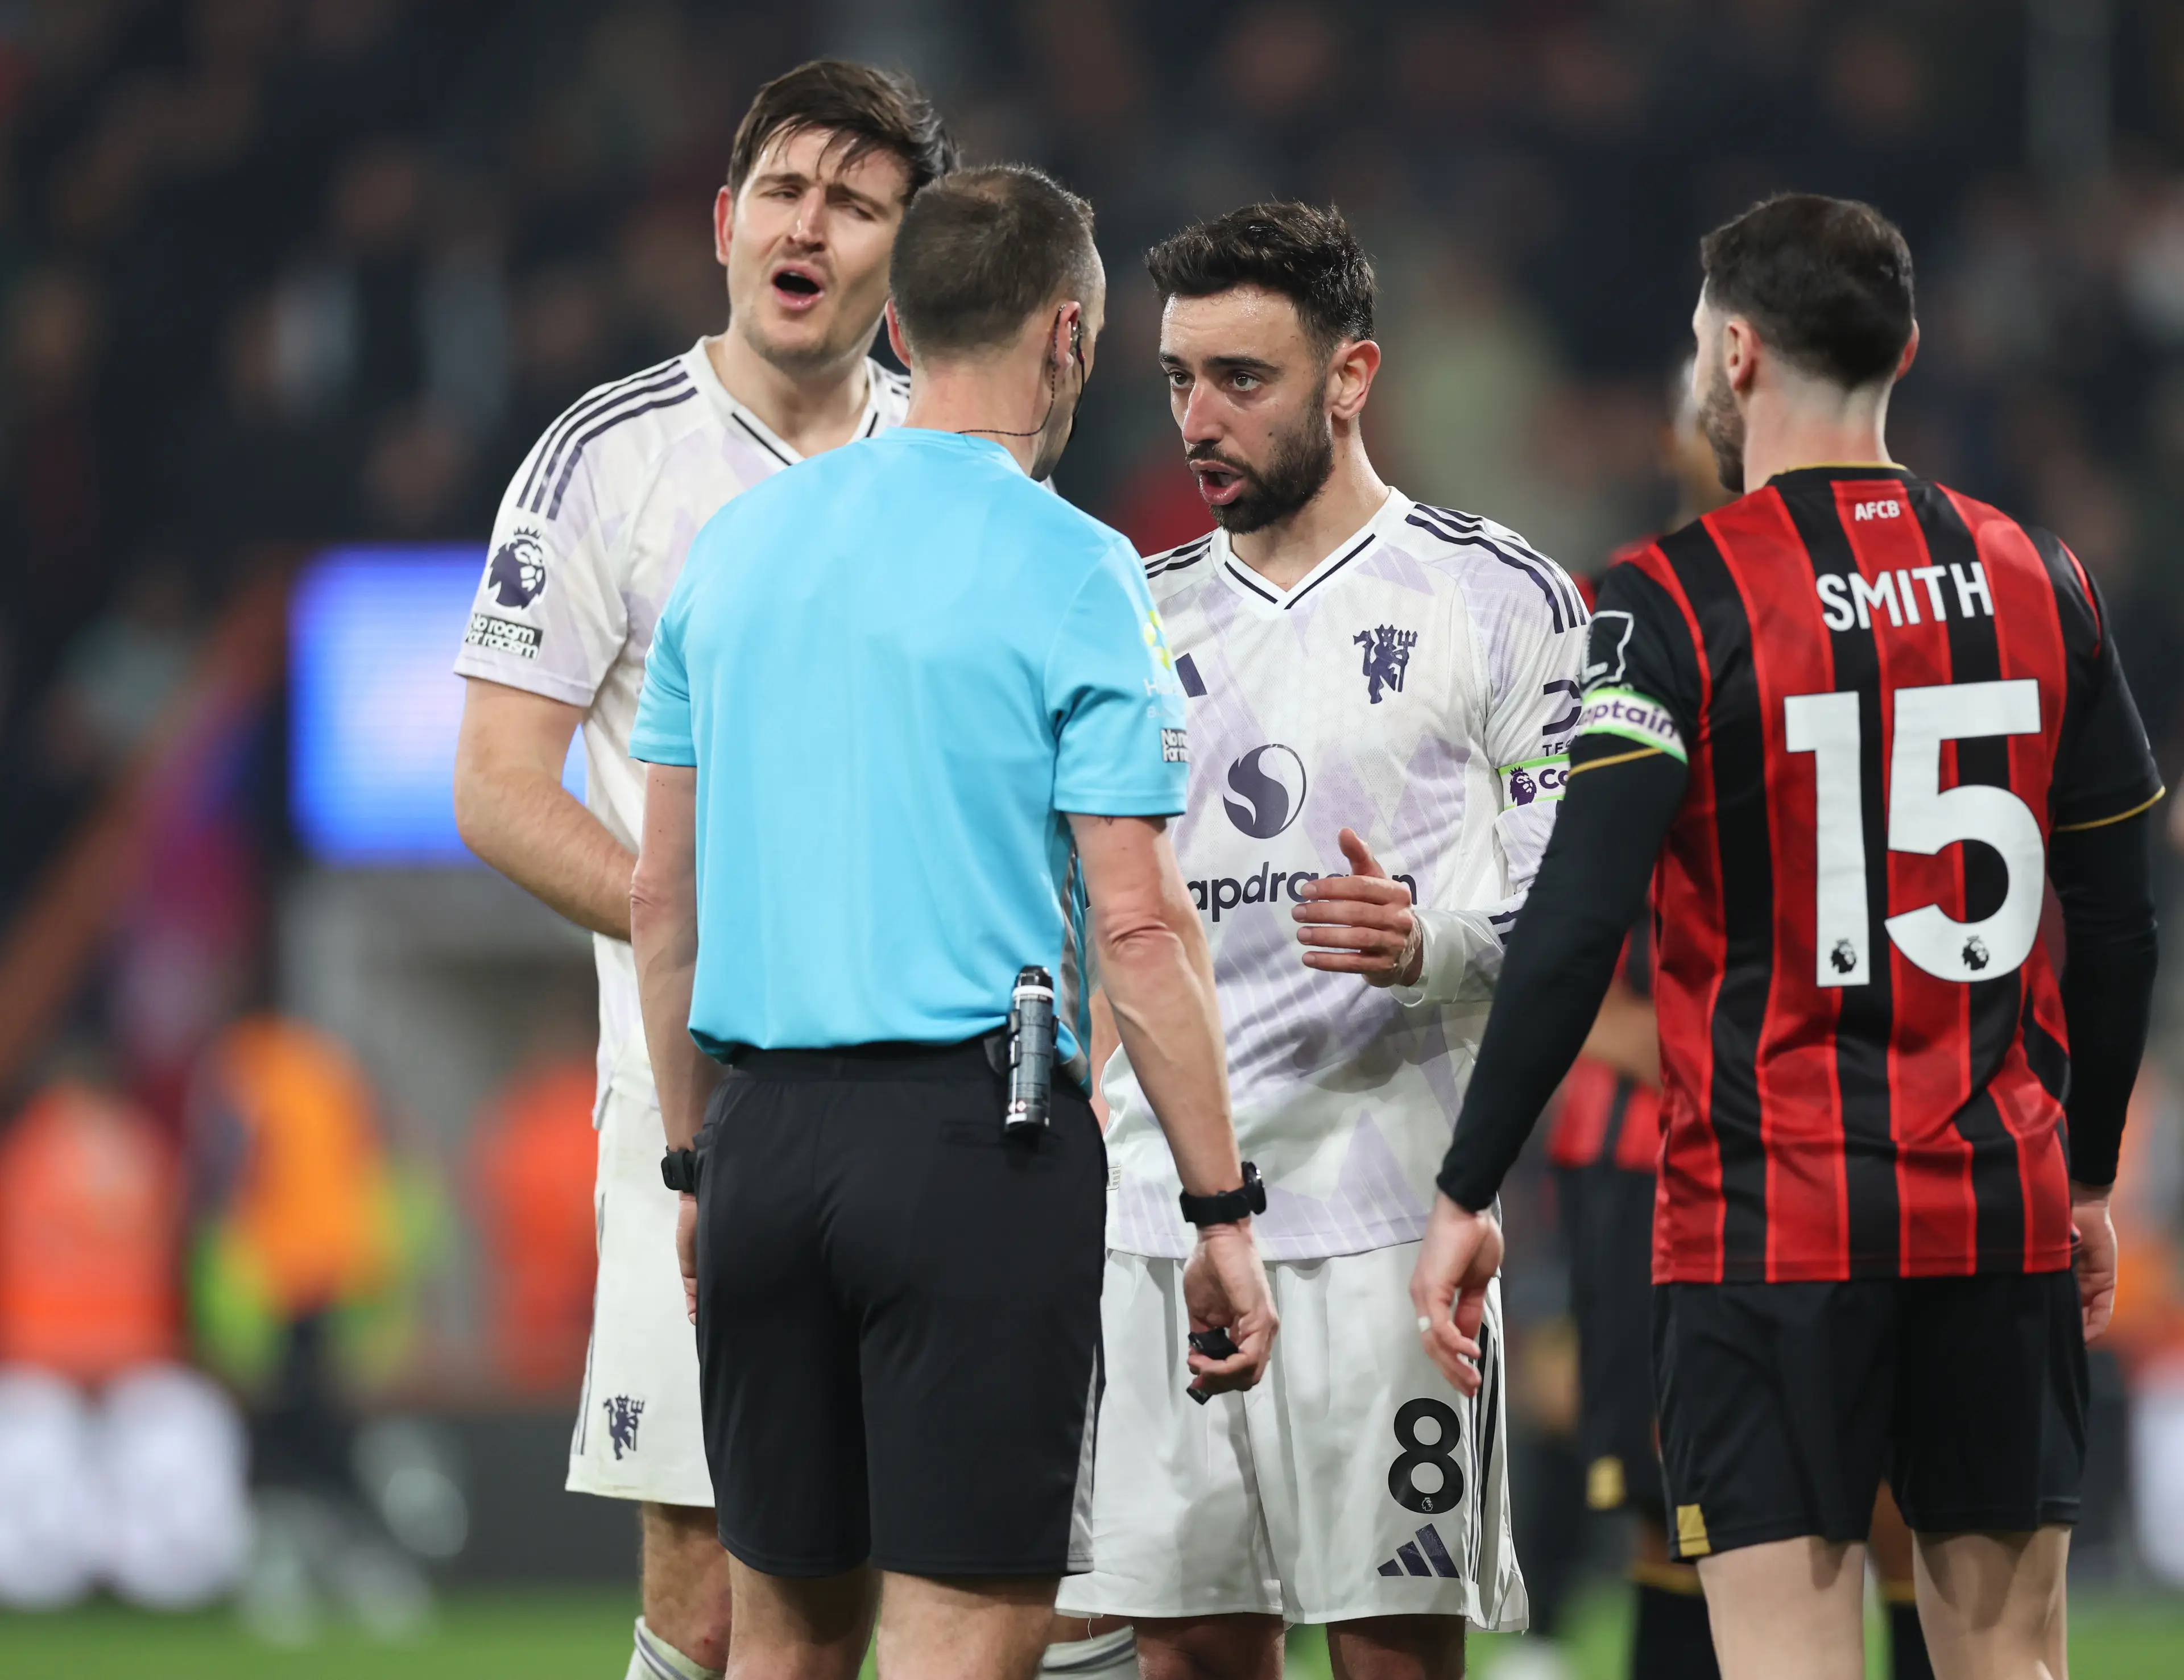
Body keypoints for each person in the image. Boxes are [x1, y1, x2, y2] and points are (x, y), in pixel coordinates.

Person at [1414, 192, 2163, 1680]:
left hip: (1773, 1229)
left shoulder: (1675, 598)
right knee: (2011, 1663)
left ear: (1737, 354)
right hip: (1996, 1210)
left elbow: (1576, 920)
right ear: (1908, 350)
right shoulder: (2041, 574)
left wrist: (1468, 1181)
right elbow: (2121, 913)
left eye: (1701, 335)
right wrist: (2082, 1175)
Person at [626, 164, 1278, 1680]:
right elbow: (1136, 927)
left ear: (901, 323)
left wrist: (689, 1161)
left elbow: (665, 895)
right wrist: (1220, 1211)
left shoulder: (737, 551)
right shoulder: (1078, 570)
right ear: (1068, 336)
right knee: (967, 1628)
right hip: (972, 1145)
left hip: (762, 1146)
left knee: (782, 1634)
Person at [449, 60, 955, 1680]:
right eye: (789, 193)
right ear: (727, 224)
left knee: (941, 1557)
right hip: (696, 1097)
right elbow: (495, 785)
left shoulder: (961, 467)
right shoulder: (611, 460)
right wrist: (705, 928)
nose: (813, 226)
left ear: (905, 257)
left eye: (858, 204)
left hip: (928, 1083)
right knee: (709, 1575)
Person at [1054, 201, 1571, 1680]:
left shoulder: (1498, 597)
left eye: (1243, 379)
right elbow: (1090, 925)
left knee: (1391, 1652)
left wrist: (1434, 941)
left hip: (1389, 1222)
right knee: (1193, 1649)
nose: (1198, 420)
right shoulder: (1129, 619)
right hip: (1159, 1220)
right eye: (1176, 381)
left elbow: (1575, 915)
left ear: (1353, 378)